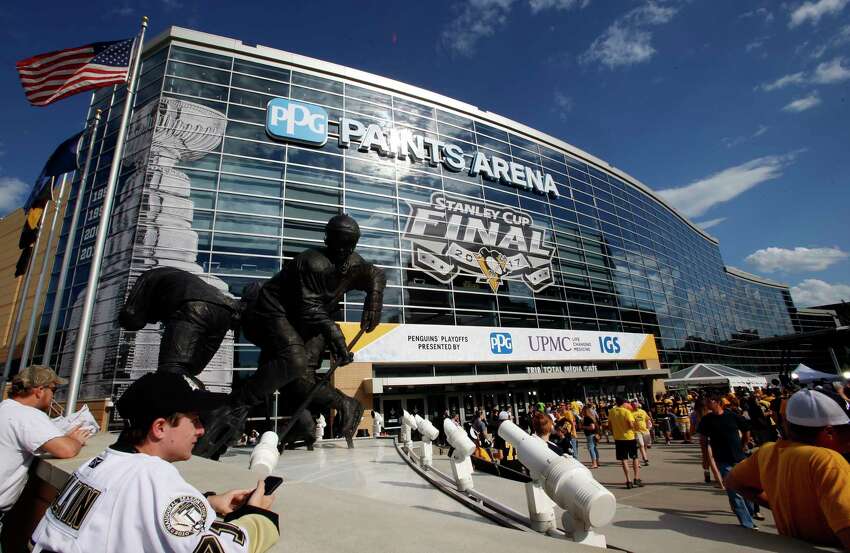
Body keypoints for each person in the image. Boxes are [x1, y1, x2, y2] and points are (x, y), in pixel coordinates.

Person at [30, 372, 280, 553]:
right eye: (194, 420)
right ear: (160, 427)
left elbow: (132, 505)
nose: (202, 430)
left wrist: (209, 502)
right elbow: (222, 550)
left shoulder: (97, 465)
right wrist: (256, 514)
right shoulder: (153, 477)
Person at [211, 215, 385, 452]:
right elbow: (308, 309)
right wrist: (336, 337)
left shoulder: (353, 264)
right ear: (327, 239)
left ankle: (325, 414)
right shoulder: (312, 262)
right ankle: (243, 411)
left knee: (300, 379)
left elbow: (375, 274)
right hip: (280, 313)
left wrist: (373, 301)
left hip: (313, 321)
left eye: (349, 245)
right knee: (294, 369)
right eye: (340, 243)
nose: (344, 250)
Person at [726, 389, 850, 550]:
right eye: (847, 430)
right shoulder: (827, 460)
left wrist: (780, 505)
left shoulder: (768, 452)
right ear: (829, 432)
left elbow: (733, 481)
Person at [0, 366, 91, 538]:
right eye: (53, 389)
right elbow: (66, 450)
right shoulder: (26, 415)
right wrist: (76, 440)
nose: (54, 395)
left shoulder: (6, 408)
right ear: (40, 390)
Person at [118, 267, 244, 386]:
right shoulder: (173, 277)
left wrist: (135, 321)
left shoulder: (148, 277)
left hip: (195, 305)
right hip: (225, 311)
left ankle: (173, 398)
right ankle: (189, 393)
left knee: (172, 369)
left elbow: (130, 316)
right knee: (192, 367)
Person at [696, 393, 756, 529]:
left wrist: (744, 443)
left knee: (746, 489)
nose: (707, 404)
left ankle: (751, 512)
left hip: (739, 457)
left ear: (717, 402)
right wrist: (705, 458)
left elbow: (746, 429)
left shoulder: (732, 416)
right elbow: (703, 441)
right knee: (734, 492)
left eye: (709, 401)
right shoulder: (707, 420)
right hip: (722, 459)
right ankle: (746, 523)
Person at [609, 397, 641, 488]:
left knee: (624, 459)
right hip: (629, 437)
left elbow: (610, 426)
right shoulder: (627, 412)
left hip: (618, 438)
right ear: (623, 403)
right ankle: (636, 478)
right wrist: (633, 427)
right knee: (635, 457)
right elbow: (631, 425)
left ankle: (628, 480)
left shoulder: (612, 411)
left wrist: (615, 431)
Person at [631, 400, 651, 466]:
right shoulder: (631, 413)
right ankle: (645, 459)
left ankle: (643, 456)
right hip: (637, 432)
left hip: (645, 431)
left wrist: (648, 427)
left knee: (645, 445)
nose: (635, 406)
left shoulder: (642, 411)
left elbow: (647, 419)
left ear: (638, 404)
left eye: (636, 404)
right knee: (641, 445)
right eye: (633, 405)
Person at [581, 404, 600, 469]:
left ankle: (594, 463)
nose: (581, 411)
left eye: (582, 410)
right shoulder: (591, 417)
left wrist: (583, 427)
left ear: (585, 411)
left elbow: (592, 427)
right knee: (594, 448)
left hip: (590, 435)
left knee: (591, 449)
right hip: (593, 434)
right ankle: (597, 462)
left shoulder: (587, 418)